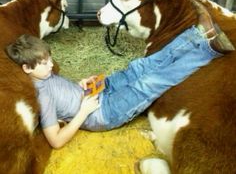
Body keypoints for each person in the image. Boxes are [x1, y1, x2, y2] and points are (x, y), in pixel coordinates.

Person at [5, 26, 226, 149]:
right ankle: (209, 50)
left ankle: (196, 34)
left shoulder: (44, 75)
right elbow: (55, 141)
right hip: (101, 113)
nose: (52, 64)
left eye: (49, 58)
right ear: (26, 68)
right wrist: (83, 111)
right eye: (44, 63)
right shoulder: (42, 97)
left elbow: (64, 92)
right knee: (149, 82)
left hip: (96, 92)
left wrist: (79, 84)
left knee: (139, 67)